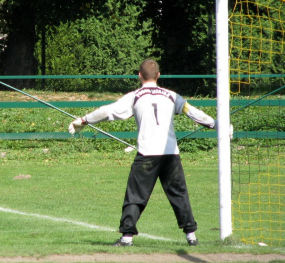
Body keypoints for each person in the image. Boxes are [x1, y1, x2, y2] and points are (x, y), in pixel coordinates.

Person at [68, 59, 222, 246]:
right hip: (170, 154)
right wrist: (216, 124)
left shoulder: (135, 96)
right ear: (158, 76)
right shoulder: (172, 96)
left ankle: (126, 238)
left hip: (147, 155)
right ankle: (191, 237)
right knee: (179, 194)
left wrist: (83, 120)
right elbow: (193, 112)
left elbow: (107, 112)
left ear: (139, 76)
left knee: (135, 195)